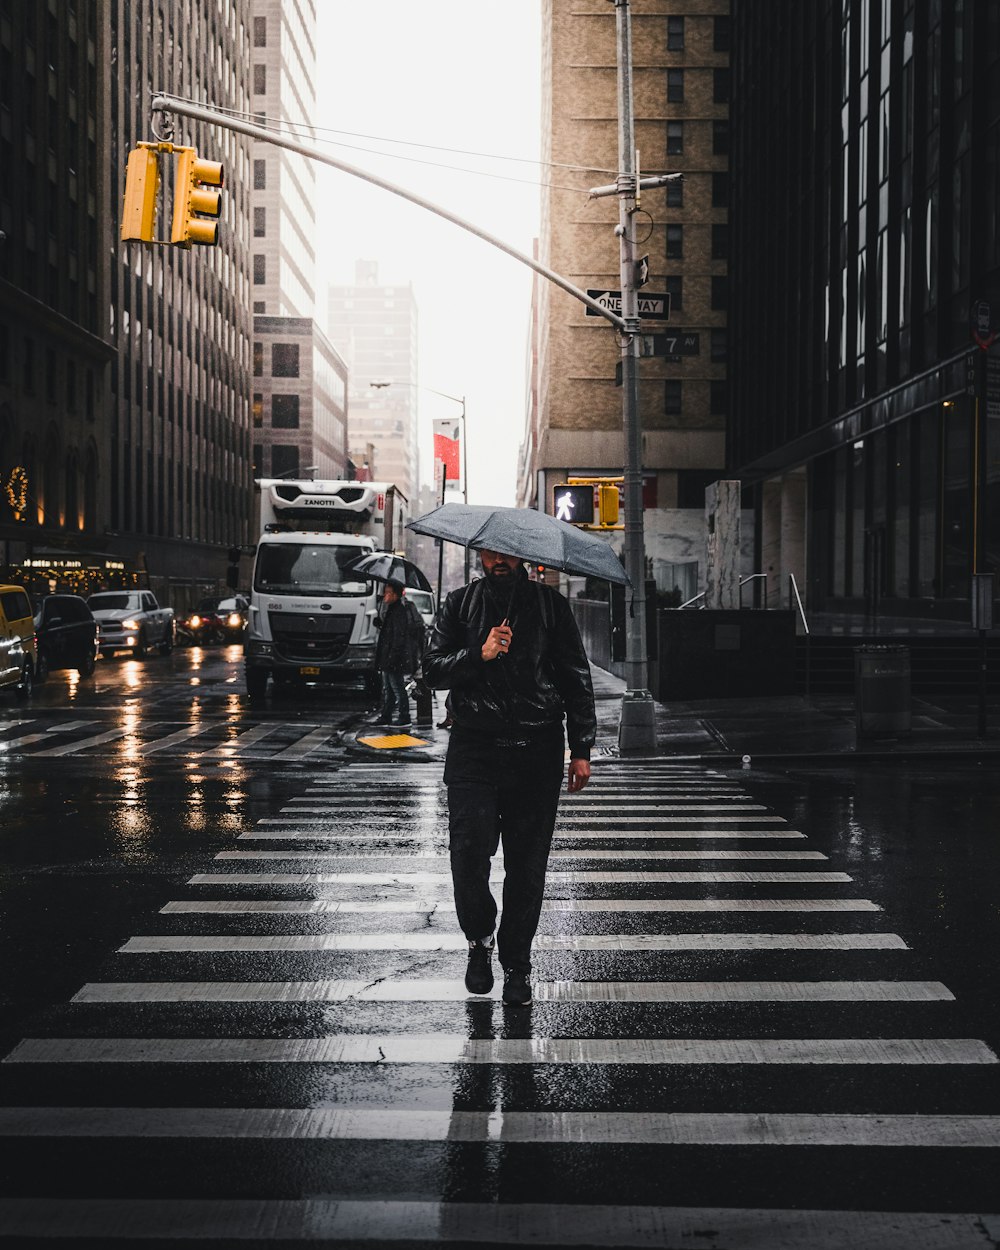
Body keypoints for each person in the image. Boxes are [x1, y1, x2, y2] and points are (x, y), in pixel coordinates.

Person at [423, 549, 596, 1006]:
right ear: (480, 555)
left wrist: (580, 749)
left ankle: (517, 964)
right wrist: (477, 654)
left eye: (505, 554)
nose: (497, 561)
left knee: (527, 867)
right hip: (473, 751)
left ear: (520, 557)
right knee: (468, 858)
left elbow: (576, 676)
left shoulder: (549, 606)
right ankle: (479, 940)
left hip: (535, 752)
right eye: (489, 553)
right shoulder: (459, 604)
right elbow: (431, 671)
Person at [373, 579, 425, 728]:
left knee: (396, 687)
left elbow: (398, 636)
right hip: (389, 656)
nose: (385, 595)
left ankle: (404, 716)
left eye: (389, 592)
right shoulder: (392, 609)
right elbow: (390, 632)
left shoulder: (399, 611)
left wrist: (392, 657)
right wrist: (380, 624)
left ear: (396, 595)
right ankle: (386, 715)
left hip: (393, 657)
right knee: (389, 688)